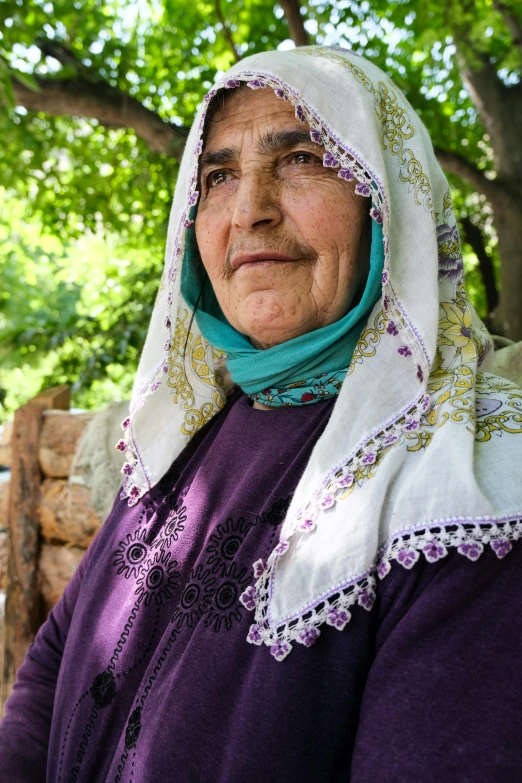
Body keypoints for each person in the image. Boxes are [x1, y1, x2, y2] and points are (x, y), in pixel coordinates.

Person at [1, 45, 522, 783]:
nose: (250, 210)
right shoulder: (183, 429)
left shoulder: (471, 486)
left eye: (303, 157)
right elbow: (56, 659)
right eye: (217, 177)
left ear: (389, 201)